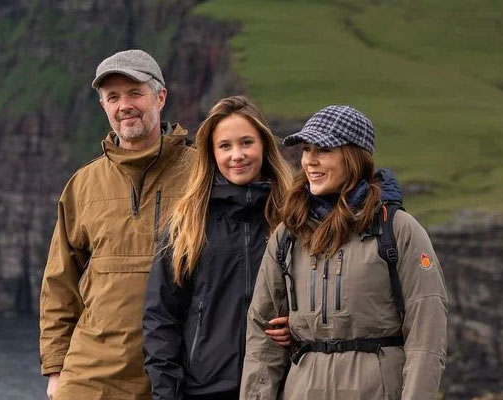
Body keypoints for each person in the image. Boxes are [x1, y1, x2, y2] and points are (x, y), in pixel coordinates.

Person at [240, 105, 448, 399]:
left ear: (354, 157)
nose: (309, 161)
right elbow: (263, 337)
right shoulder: (289, 233)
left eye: (324, 150)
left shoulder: (397, 229)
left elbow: (427, 334)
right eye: (306, 149)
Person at [39, 49, 195, 400]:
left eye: (135, 93)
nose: (124, 105)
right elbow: (59, 282)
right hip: (91, 373)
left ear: (160, 97)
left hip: (176, 370)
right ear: (103, 106)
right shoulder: (83, 184)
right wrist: (55, 368)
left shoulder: (201, 173)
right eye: (113, 97)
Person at [143, 96, 293, 400]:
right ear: (212, 154)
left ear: (264, 145)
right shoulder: (188, 223)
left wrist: (300, 326)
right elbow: (161, 319)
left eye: (247, 142)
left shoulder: (294, 218)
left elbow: (323, 301)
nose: (237, 155)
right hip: (205, 389)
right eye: (225, 146)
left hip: (281, 385)